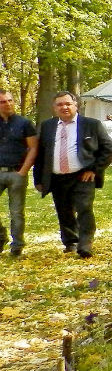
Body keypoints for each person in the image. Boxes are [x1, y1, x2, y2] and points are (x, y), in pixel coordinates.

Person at [33, 91, 112, 258]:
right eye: (60, 104)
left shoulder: (91, 124)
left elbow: (108, 149)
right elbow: (40, 154)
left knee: (84, 208)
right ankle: (71, 242)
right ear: (54, 108)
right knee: (64, 211)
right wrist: (38, 178)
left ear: (75, 105)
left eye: (68, 104)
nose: (64, 107)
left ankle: (85, 244)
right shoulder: (47, 126)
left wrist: (94, 169)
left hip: (82, 175)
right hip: (57, 177)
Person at [0, 89, 38, 258]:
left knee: (16, 212)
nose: (7, 104)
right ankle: (1, 236)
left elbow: (33, 148)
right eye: (3, 102)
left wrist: (23, 171)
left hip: (16, 173)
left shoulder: (24, 123)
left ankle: (17, 245)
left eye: (10, 100)